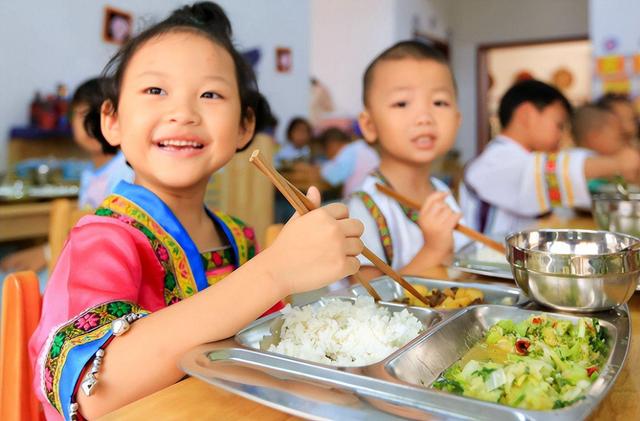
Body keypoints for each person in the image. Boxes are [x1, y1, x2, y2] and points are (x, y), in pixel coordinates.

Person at [29, 3, 364, 419]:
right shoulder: (100, 241)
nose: (183, 113)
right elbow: (94, 394)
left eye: (210, 94)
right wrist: (276, 271)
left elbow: (271, 360)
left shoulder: (240, 238)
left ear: (244, 125)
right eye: (155, 91)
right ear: (112, 120)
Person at [347, 41, 467, 282]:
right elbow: (367, 299)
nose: (424, 117)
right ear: (369, 125)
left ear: (456, 120)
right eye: (402, 103)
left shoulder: (442, 192)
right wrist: (432, 250)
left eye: (439, 102)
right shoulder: (365, 207)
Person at [460, 80, 640, 237]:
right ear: (527, 115)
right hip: (481, 267)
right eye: (559, 125)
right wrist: (617, 164)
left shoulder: (524, 159)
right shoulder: (492, 163)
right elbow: (543, 171)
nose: (562, 135)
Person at [0, 78, 134, 275]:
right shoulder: (90, 172)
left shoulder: (125, 169)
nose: (92, 124)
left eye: (102, 114)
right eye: (84, 114)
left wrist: (47, 252)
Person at [317, 127, 380, 197]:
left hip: (362, 200)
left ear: (332, 144)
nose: (327, 155)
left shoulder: (347, 152)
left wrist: (320, 168)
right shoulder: (362, 147)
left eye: (326, 151)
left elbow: (333, 177)